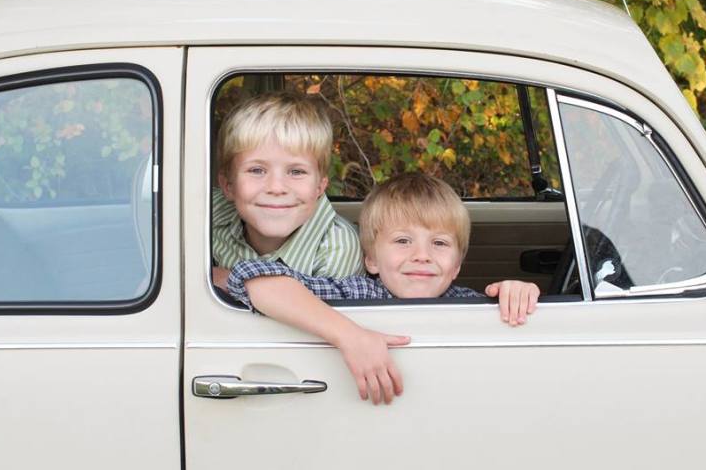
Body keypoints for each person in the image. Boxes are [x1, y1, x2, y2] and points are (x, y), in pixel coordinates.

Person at [227, 172, 541, 405]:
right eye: (403, 241)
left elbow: (513, 319)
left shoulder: (468, 303)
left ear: (457, 264)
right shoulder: (359, 295)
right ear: (372, 259)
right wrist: (350, 335)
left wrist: (517, 292)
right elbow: (253, 276)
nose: (422, 255)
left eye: (440, 243)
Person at [212, 92, 363, 290]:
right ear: (228, 185)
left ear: (320, 186)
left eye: (296, 171)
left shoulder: (336, 248)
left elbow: (311, 316)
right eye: (257, 170)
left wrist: (228, 279)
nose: (276, 188)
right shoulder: (210, 213)